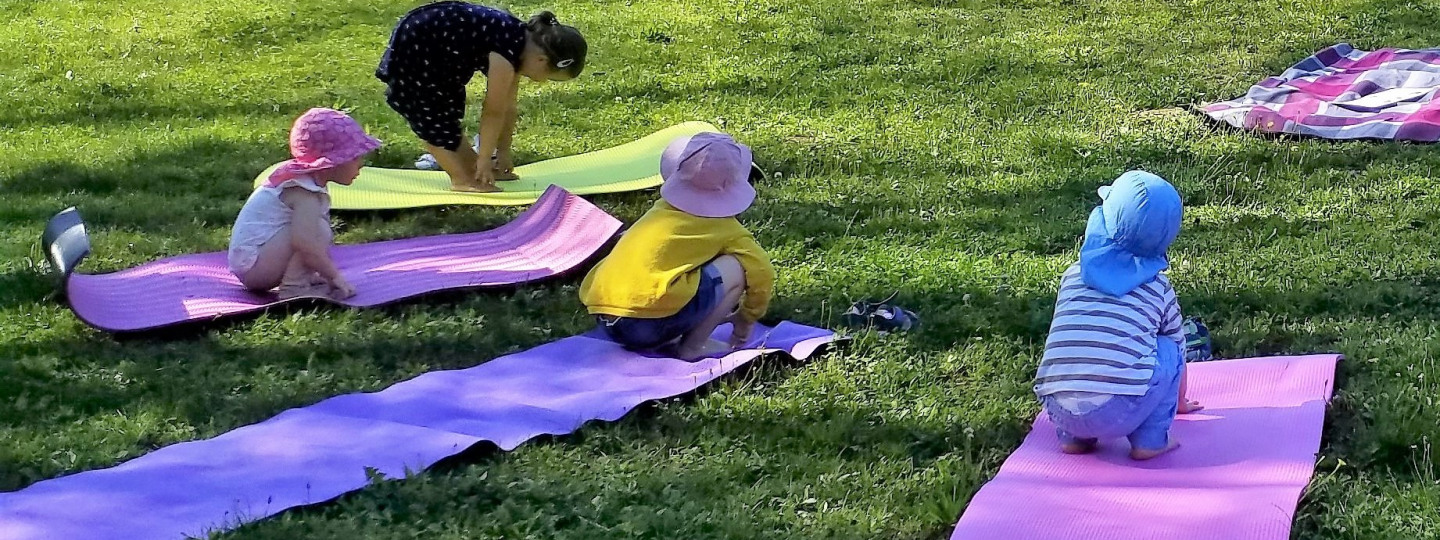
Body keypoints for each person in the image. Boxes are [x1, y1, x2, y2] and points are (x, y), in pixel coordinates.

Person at [1033, 171, 1200, 460]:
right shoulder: (1158, 287)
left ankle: (1074, 439)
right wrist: (1179, 402)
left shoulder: (1072, 276)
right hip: (1119, 409)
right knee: (1168, 347)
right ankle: (1150, 440)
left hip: (1057, 407)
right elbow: (1178, 351)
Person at [579, 132, 774, 360]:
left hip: (606, 320)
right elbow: (763, 273)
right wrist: (746, 318)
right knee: (735, 267)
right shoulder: (727, 228)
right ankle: (692, 347)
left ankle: (668, 329)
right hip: (646, 327)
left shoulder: (660, 212)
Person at [376, 3, 587, 192]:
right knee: (430, 116)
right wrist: (485, 158)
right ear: (541, 60)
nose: (540, 82)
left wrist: (502, 152)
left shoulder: (518, 45)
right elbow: (493, 111)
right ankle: (461, 180)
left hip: (443, 56)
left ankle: (471, 172)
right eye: (548, 78)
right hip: (418, 47)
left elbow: (508, 107)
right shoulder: (507, 52)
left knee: (447, 115)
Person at [227, 108, 380, 300]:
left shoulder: (306, 182)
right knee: (317, 230)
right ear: (332, 163)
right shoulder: (303, 191)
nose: (361, 164)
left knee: (315, 228)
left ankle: (301, 277)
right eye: (355, 157)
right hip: (255, 269)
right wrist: (334, 276)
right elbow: (305, 243)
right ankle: (294, 288)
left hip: (254, 264)